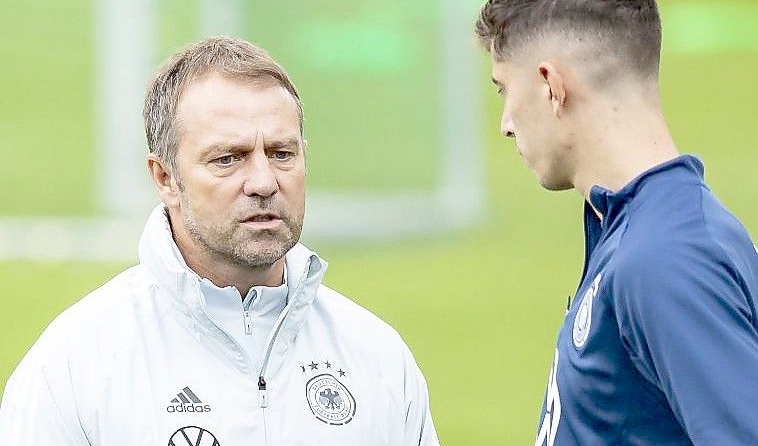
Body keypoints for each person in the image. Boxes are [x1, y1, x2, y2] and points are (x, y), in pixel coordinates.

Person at [0, 37, 438, 446]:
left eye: (282, 154)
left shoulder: (377, 358)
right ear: (165, 178)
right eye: (229, 159)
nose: (264, 182)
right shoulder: (75, 368)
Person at [475, 0, 758, 444]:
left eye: (503, 89)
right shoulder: (656, 229)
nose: (506, 124)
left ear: (551, 84)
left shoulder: (663, 258)